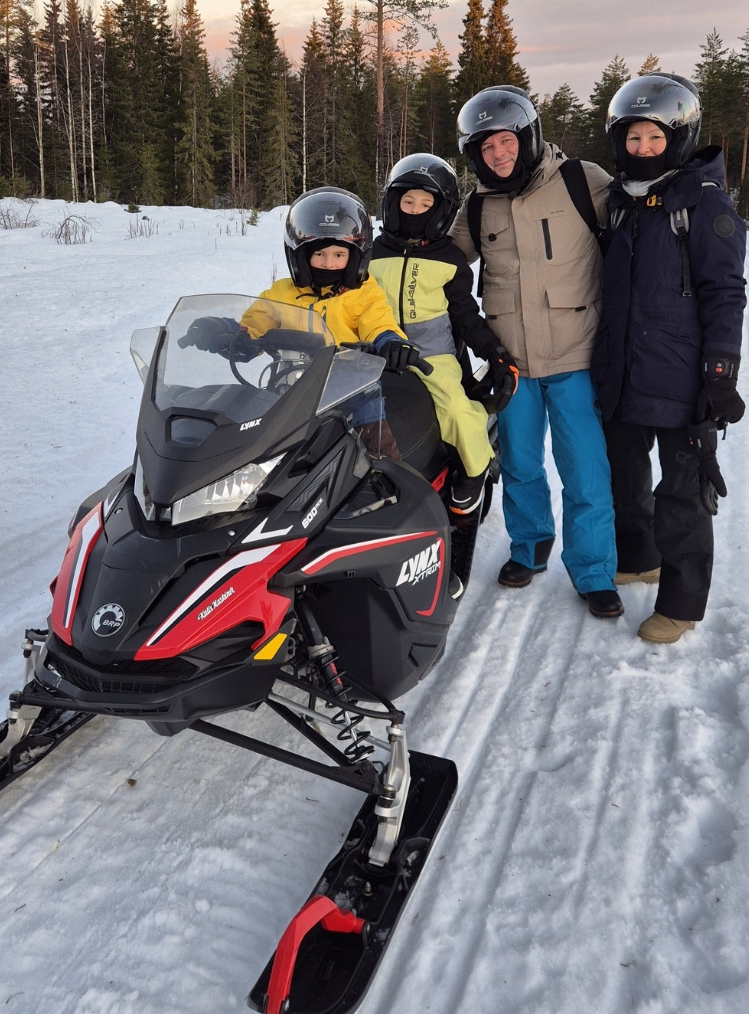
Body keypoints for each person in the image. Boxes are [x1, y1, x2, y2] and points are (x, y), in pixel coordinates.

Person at [451, 86, 622, 619]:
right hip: (512, 362)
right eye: (486, 148)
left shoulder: (581, 180)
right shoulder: (478, 205)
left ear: (527, 136)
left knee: (585, 472)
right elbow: (443, 261)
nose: (498, 154)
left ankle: (594, 570)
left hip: (576, 357)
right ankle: (529, 546)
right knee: (520, 464)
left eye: (506, 141)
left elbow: (636, 227)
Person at [591, 74, 747, 644]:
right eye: (633, 138)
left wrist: (720, 370)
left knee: (682, 493)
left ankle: (681, 603)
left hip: (681, 377)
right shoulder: (619, 201)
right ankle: (638, 558)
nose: (643, 149)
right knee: (625, 475)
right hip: (623, 371)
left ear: (678, 138)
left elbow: (725, 291)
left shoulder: (703, 202)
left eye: (654, 138)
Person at [182, 186, 421, 457]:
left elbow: (378, 322)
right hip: (289, 392)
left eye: (339, 255)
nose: (329, 263)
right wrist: (225, 332)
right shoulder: (282, 293)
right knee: (256, 454)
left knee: (379, 452)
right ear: (301, 257)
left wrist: (390, 342)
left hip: (352, 393)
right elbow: (255, 323)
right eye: (319, 254)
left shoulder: (364, 294)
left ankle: (387, 478)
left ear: (356, 257)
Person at [369, 153, 518, 517]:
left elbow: (465, 315)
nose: (415, 211)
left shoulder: (449, 258)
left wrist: (494, 352)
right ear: (392, 202)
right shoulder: (372, 252)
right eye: (408, 202)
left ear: (441, 211)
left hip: (431, 357)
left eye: (426, 205)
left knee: (456, 410)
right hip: (373, 352)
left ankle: (473, 470)